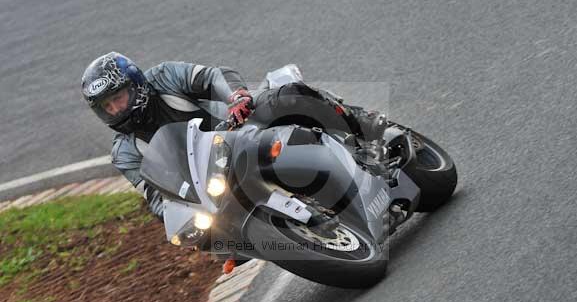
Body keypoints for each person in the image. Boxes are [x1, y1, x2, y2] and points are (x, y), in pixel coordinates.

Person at [81, 52, 387, 220]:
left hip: (240, 127)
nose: (114, 109)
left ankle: (361, 124)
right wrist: (176, 216)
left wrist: (235, 99)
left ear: (135, 85)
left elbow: (212, 75)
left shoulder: (162, 77)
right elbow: (154, 196)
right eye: (106, 107)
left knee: (285, 92)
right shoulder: (124, 153)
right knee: (218, 243)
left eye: (117, 98)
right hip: (216, 183)